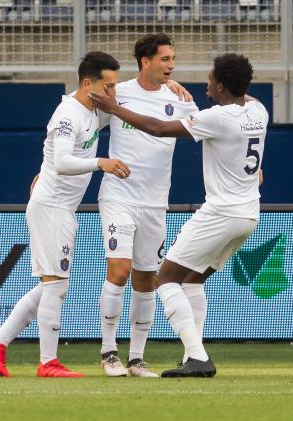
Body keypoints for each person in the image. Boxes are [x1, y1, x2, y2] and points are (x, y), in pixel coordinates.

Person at [90, 53, 267, 378]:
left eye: (212, 78)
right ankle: (192, 355)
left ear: (223, 84)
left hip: (221, 213)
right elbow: (245, 95)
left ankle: (198, 357)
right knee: (194, 279)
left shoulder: (218, 117)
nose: (206, 83)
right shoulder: (258, 110)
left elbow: (158, 128)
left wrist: (115, 109)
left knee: (165, 278)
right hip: (249, 215)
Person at [0, 51, 129, 378]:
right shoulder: (67, 114)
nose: (113, 94)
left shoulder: (93, 108)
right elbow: (61, 161)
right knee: (56, 285)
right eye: (109, 87)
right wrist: (100, 163)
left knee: (51, 285)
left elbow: (131, 98)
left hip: (61, 208)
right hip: (51, 208)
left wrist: (167, 84)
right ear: (88, 84)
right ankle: (48, 363)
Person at [96, 33, 199, 377]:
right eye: (166, 59)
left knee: (146, 279)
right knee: (120, 271)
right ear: (146, 61)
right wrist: (49, 167)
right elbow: (79, 111)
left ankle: (136, 359)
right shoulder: (118, 92)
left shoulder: (180, 99)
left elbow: (212, 133)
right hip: (119, 195)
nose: (172, 65)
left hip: (155, 202)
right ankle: (109, 353)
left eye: (173, 59)